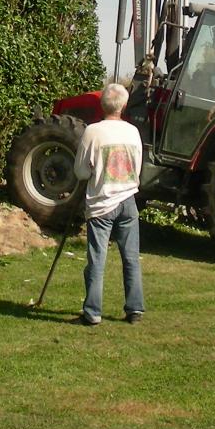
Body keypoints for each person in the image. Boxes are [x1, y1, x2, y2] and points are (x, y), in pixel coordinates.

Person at [72, 82, 145, 326]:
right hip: (127, 200)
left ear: (102, 104)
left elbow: (81, 172)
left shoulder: (93, 131)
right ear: (123, 106)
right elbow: (137, 167)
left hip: (102, 203)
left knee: (97, 260)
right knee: (131, 258)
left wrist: (94, 169)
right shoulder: (133, 132)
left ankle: (92, 313)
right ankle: (134, 309)